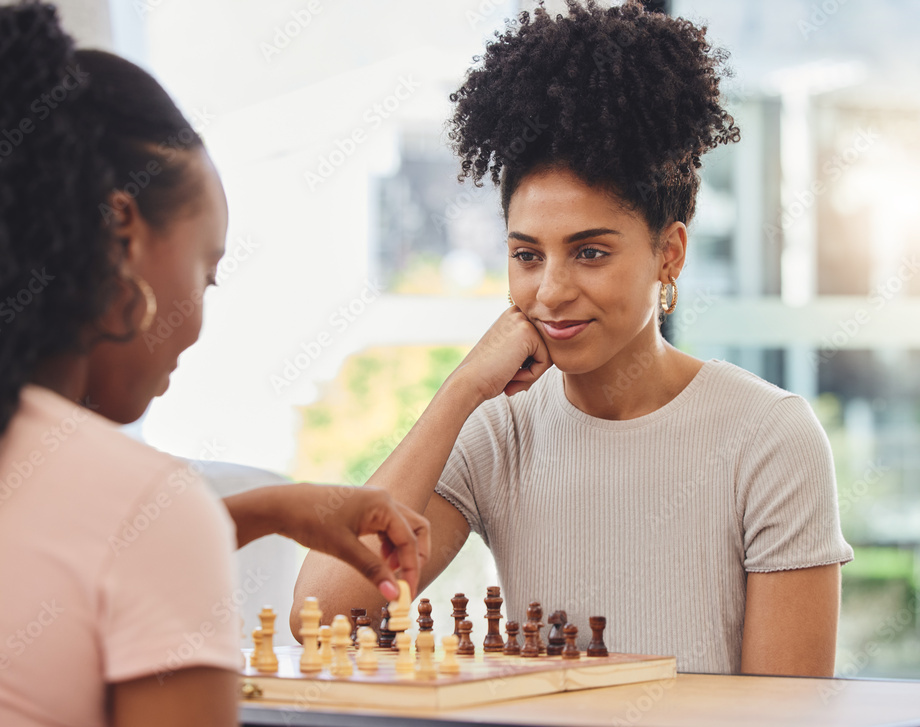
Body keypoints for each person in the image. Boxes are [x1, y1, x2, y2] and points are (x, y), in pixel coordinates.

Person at [294, 0, 853, 676]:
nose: (551, 290)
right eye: (527, 255)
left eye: (589, 252)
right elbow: (321, 617)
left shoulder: (770, 438)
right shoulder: (497, 431)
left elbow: (786, 715)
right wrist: (462, 390)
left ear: (669, 254)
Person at [0, 4, 428, 725]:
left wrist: (266, 510)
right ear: (122, 235)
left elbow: (58, 569)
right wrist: (183, 522)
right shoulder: (139, 508)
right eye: (208, 268)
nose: (205, 309)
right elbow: (115, 546)